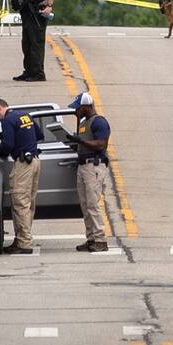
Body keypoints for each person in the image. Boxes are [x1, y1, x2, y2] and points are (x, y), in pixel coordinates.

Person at [0, 98, 44, 254]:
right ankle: (21, 238)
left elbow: (8, 146)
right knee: (28, 203)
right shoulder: (25, 115)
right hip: (35, 161)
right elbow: (39, 135)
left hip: (22, 164)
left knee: (20, 202)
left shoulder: (7, 120)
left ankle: (24, 243)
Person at [65, 91, 111, 252]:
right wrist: (73, 142)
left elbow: (100, 145)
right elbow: (83, 144)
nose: (75, 111)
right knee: (85, 205)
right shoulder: (84, 123)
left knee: (92, 204)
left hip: (94, 166)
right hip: (83, 165)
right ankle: (91, 238)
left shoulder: (99, 122)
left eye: (78, 108)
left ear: (86, 107)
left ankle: (100, 239)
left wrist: (81, 140)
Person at [12, 0, 54, 82]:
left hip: (36, 13)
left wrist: (49, 5)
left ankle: (38, 73)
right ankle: (29, 71)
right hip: (28, 14)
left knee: (36, 43)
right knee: (27, 43)